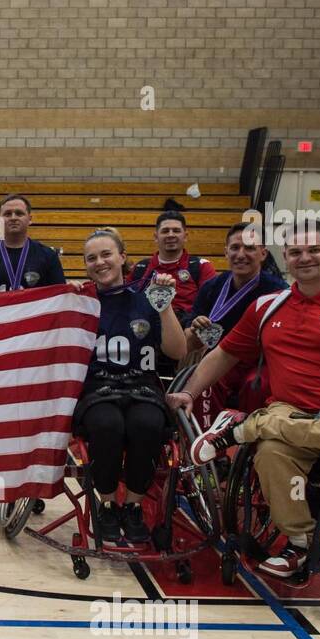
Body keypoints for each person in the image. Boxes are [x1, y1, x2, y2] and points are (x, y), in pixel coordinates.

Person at [172, 224, 320, 577]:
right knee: (270, 454)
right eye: (296, 252)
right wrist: (190, 391)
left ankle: (245, 428)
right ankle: (299, 543)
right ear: (284, 258)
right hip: (289, 412)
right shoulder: (268, 307)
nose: (305, 258)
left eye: (314, 249)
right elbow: (224, 354)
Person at [73, 229, 186, 543]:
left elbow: (178, 352)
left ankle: (133, 507)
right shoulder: (81, 304)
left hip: (142, 388)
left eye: (106, 254)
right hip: (98, 390)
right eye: (91, 258)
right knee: (106, 424)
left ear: (123, 257)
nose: (100, 262)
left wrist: (165, 306)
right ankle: (108, 503)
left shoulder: (148, 299)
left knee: (146, 424)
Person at [182, 221, 287, 430]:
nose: (241, 254)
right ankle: (207, 450)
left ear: (263, 253)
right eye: (235, 248)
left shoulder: (278, 291)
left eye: (249, 248)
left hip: (261, 363)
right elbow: (189, 342)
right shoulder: (212, 287)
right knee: (205, 385)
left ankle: (251, 447)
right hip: (220, 360)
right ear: (225, 252)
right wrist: (194, 329)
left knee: (256, 386)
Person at [0, 194, 66, 294]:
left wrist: (72, 290)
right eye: (7, 214)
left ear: (30, 219)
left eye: (19, 213)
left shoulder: (48, 256)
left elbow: (59, 296)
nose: (13, 218)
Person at [128, 210, 215, 322]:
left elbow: (211, 305)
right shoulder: (140, 268)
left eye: (176, 231)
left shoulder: (202, 266)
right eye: (165, 231)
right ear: (156, 236)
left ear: (185, 236)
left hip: (187, 329)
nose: (170, 235)